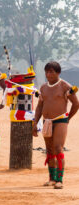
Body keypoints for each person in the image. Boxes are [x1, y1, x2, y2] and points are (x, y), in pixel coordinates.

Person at [33, 61, 79, 189]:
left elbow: (76, 104)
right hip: (46, 121)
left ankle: (60, 180)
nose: (49, 74)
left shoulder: (65, 86)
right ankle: (51, 179)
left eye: (51, 72)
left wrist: (68, 118)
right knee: (49, 150)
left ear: (58, 72)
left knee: (58, 148)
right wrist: (35, 123)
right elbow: (39, 106)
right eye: (47, 72)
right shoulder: (43, 88)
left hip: (61, 120)